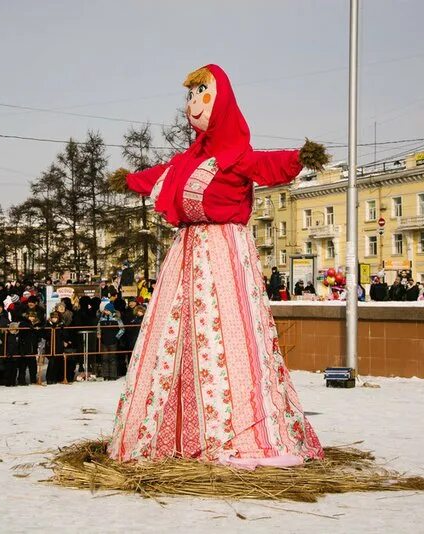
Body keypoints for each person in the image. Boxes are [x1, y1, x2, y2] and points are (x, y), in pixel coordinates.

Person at [109, 64, 324, 466]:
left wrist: (299, 157)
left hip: (223, 250)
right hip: (186, 251)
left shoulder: (236, 155)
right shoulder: (188, 159)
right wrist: (130, 179)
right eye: (189, 97)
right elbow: (160, 175)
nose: (193, 104)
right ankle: (169, 429)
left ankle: (236, 427)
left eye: (202, 95)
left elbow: (268, 165)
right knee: (175, 336)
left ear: (221, 102)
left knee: (225, 332)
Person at [97, 302, 124, 381]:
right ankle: (105, 375)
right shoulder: (102, 318)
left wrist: (116, 337)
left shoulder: (117, 318)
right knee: (104, 358)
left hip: (113, 341)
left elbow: (122, 329)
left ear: (111, 310)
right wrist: (99, 335)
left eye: (107, 310)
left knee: (112, 358)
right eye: (105, 310)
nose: (105, 311)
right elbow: (98, 327)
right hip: (104, 341)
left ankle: (113, 375)